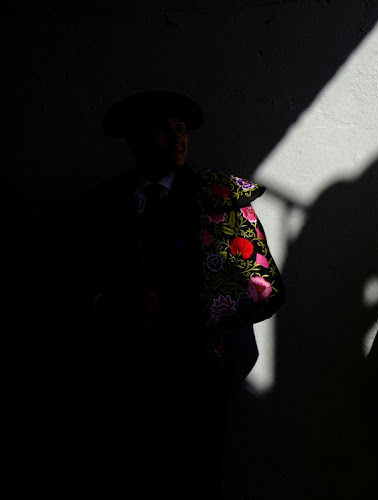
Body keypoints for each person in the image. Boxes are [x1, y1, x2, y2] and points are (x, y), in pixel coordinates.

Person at [67, 90, 285, 498]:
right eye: (164, 130)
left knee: (192, 480)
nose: (178, 137)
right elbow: (67, 283)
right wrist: (109, 306)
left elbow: (263, 288)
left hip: (194, 376)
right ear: (133, 141)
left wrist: (180, 306)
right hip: (116, 379)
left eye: (181, 128)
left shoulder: (219, 197)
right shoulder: (100, 204)